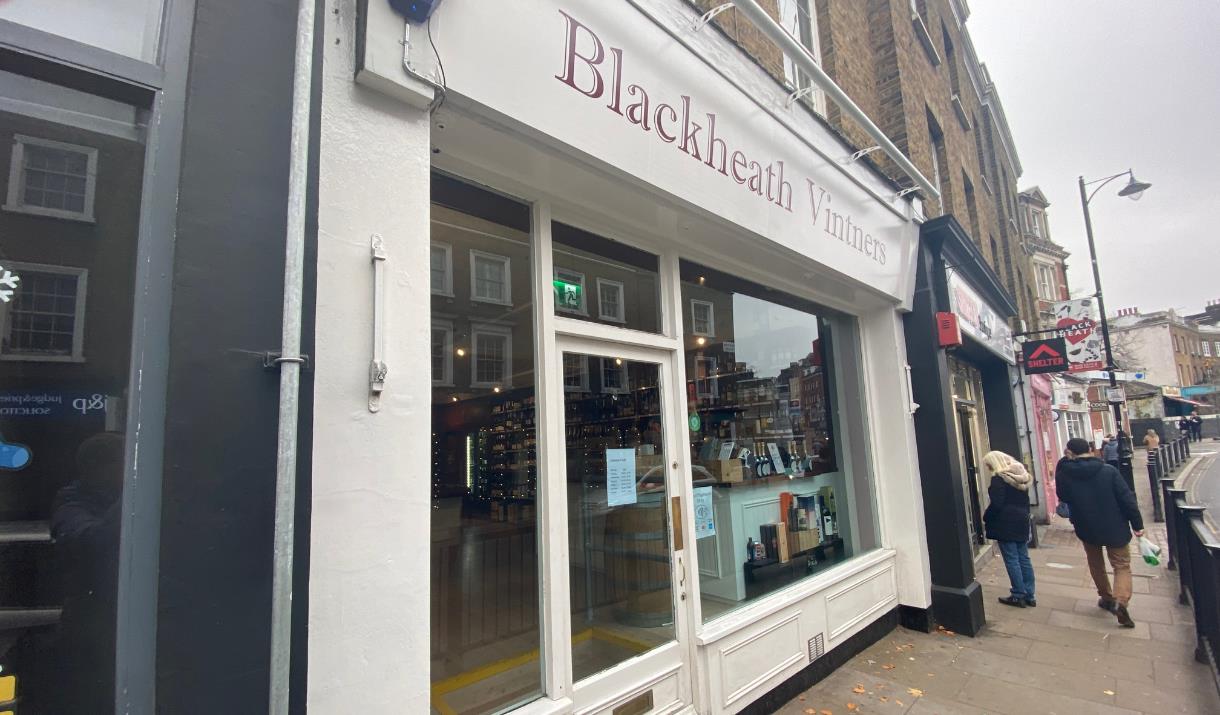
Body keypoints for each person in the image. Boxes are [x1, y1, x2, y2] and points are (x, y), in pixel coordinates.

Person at [1055, 437, 1144, 628]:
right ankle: (1120, 601)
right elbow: (1127, 499)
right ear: (1090, 449)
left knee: (1096, 564)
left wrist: (1064, 461)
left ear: (1069, 452)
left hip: (1087, 526)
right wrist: (1137, 524)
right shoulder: (1108, 471)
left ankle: (1106, 597)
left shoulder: (1066, 473)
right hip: (1115, 526)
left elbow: (1063, 496)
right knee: (1121, 565)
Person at [981, 451, 1035, 608]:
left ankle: (1018, 594)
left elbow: (997, 504)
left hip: (1006, 521)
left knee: (1011, 558)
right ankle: (1030, 594)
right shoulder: (1022, 476)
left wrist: (986, 517)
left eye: (988, 464)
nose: (988, 467)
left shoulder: (999, 479)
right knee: (1024, 558)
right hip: (1022, 519)